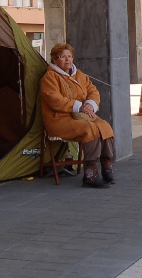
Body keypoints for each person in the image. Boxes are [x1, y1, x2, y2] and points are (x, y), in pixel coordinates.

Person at [40, 43, 115, 188]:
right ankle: (90, 174)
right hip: (59, 119)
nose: (67, 60)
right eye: (63, 57)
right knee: (90, 129)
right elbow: (54, 100)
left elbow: (93, 91)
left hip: (81, 116)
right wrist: (79, 106)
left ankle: (107, 167)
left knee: (105, 126)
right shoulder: (50, 77)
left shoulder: (79, 74)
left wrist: (90, 104)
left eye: (70, 56)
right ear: (55, 59)